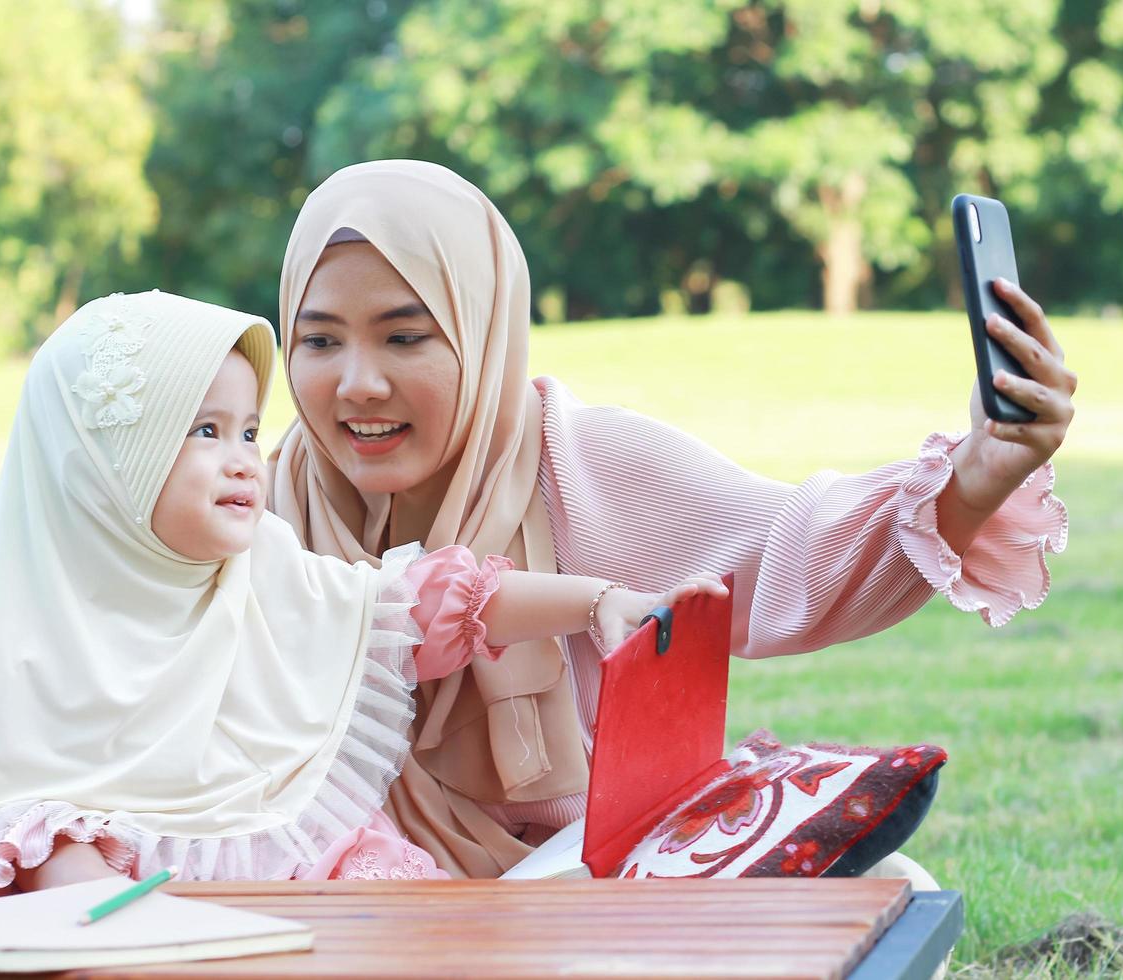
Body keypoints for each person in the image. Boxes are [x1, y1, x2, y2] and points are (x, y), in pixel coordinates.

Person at [268, 160, 1075, 879]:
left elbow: (793, 549)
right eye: (320, 341)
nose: (357, 384)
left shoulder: (581, 461)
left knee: (895, 883)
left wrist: (973, 479)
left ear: (485, 335)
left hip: (578, 884)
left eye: (405, 337)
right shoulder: (267, 502)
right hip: (332, 891)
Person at [0, 291, 722, 898]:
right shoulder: (37, 669)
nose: (242, 462)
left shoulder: (266, 573)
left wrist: (598, 602)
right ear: (103, 470)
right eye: (202, 431)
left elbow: (424, 603)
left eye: (248, 431)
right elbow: (56, 873)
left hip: (348, 900)